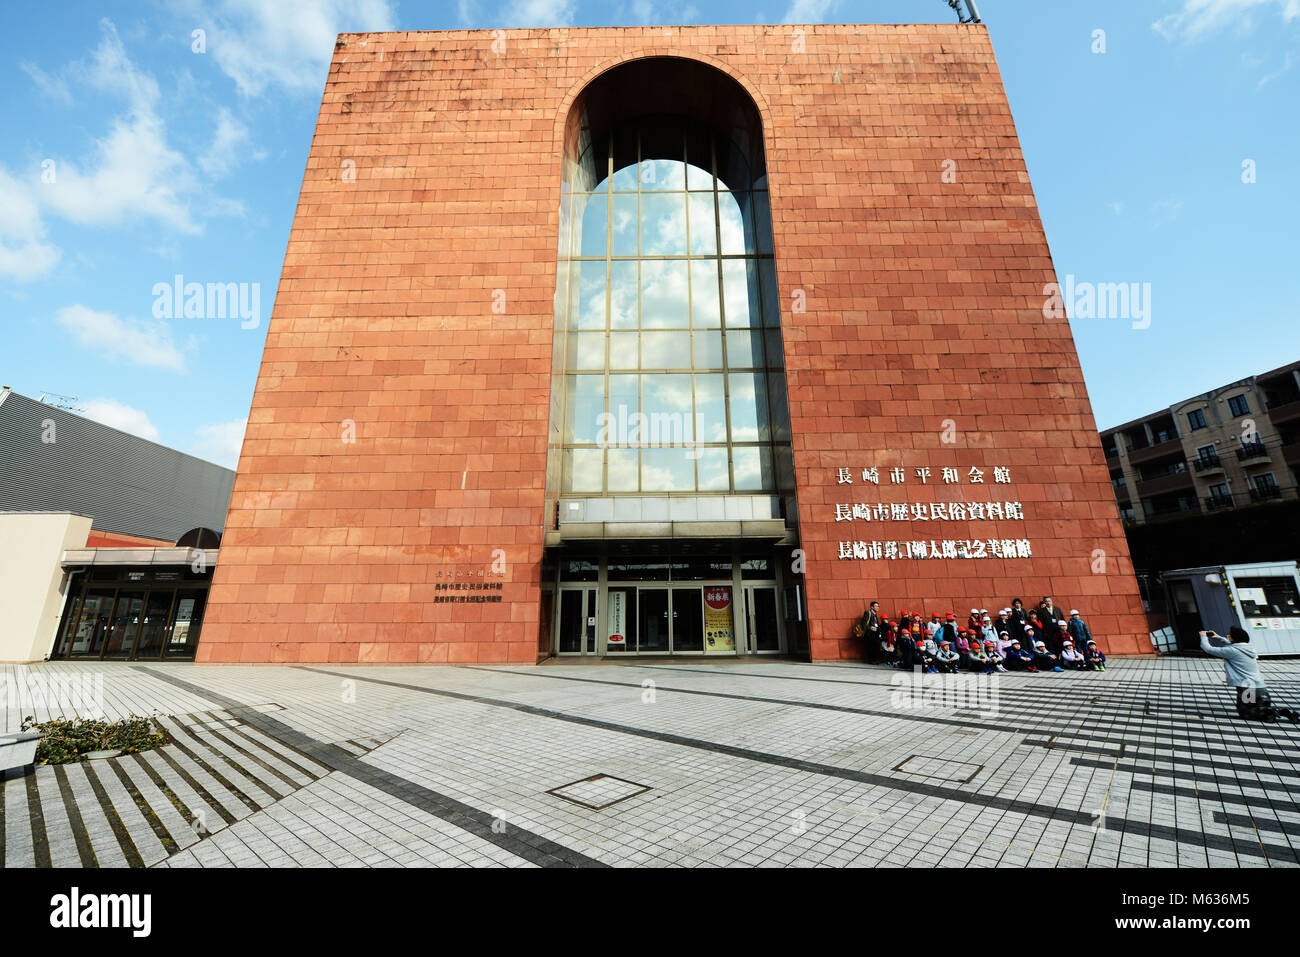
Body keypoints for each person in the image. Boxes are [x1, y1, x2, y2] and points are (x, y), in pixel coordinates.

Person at [1201, 627, 1299, 723]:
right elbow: (1234, 646)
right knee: (1260, 708)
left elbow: (1208, 649)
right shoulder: (1249, 648)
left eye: (1229, 635)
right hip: (1261, 687)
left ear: (1233, 638)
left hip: (1247, 687)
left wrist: (1203, 636)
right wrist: (1218, 637)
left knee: (1246, 713)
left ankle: (1270, 713)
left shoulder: (1232, 651)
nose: (1228, 636)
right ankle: (1284, 713)